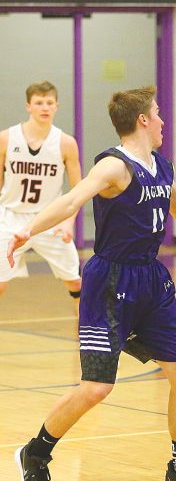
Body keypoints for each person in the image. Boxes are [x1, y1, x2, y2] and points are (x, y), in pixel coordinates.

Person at [9, 86, 176, 481]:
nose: (162, 120)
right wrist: (27, 231)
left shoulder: (160, 165)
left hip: (151, 279)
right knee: (96, 387)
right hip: (111, 282)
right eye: (157, 113)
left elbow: (173, 198)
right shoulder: (114, 167)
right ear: (142, 120)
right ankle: (36, 452)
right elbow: (71, 201)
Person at [0, 81, 82, 312]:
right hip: (11, 217)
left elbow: (78, 189)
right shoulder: (6, 138)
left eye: (49, 102)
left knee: (75, 281)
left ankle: (86, 328)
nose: (44, 107)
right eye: (38, 103)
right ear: (28, 106)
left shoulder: (66, 143)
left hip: (50, 219)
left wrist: (69, 222)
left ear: (57, 106)